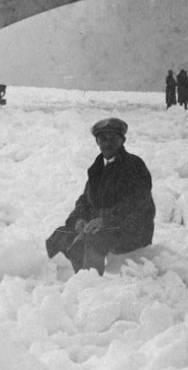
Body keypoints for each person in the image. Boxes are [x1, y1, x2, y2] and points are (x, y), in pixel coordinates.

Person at [45, 118, 155, 276]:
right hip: (106, 227)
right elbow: (85, 201)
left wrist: (105, 220)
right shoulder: (97, 168)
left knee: (94, 240)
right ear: (97, 141)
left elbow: (136, 204)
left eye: (113, 139)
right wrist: (79, 220)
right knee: (62, 234)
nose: (107, 143)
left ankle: (91, 288)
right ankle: (51, 281)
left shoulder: (134, 166)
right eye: (103, 139)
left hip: (133, 230)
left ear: (122, 140)